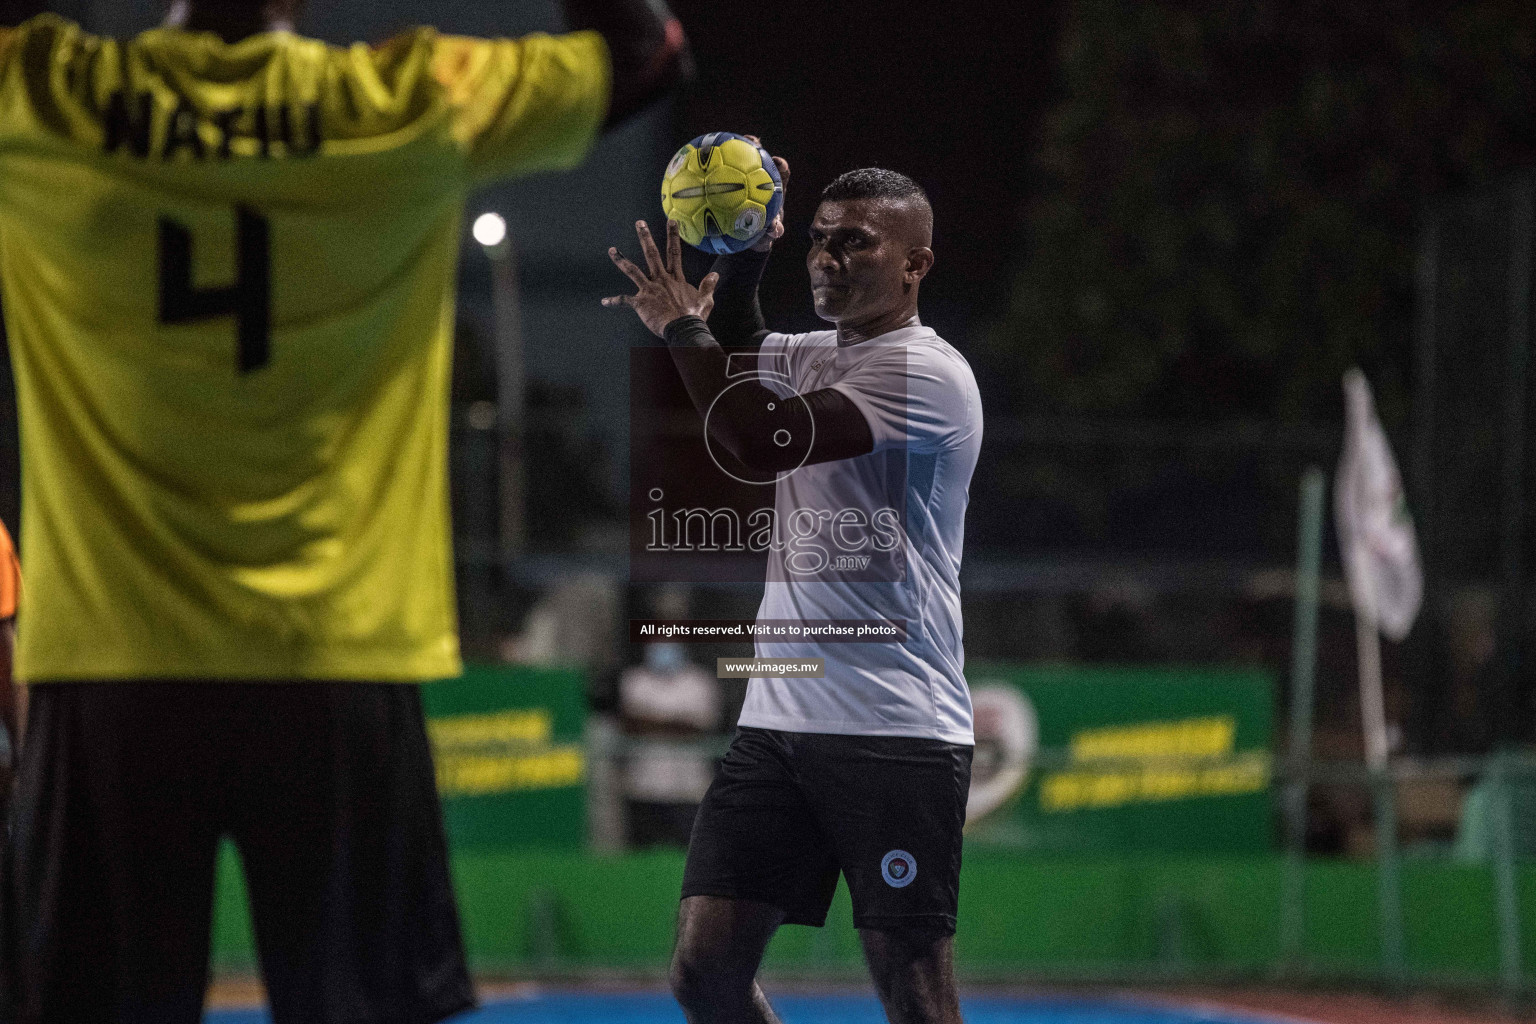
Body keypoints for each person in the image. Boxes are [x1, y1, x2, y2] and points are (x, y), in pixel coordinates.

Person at [0, 0, 690, 1020]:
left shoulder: (47, 94)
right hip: (336, 650)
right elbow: (650, 54)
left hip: (112, 655)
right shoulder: (400, 102)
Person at [604, 155, 983, 1024]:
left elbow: (752, 440)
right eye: (817, 241)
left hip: (894, 726)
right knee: (704, 972)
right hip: (780, 724)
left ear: (914, 263)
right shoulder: (816, 351)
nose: (827, 258)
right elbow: (738, 348)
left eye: (854, 242)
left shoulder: (925, 375)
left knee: (915, 992)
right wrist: (747, 248)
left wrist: (677, 327)